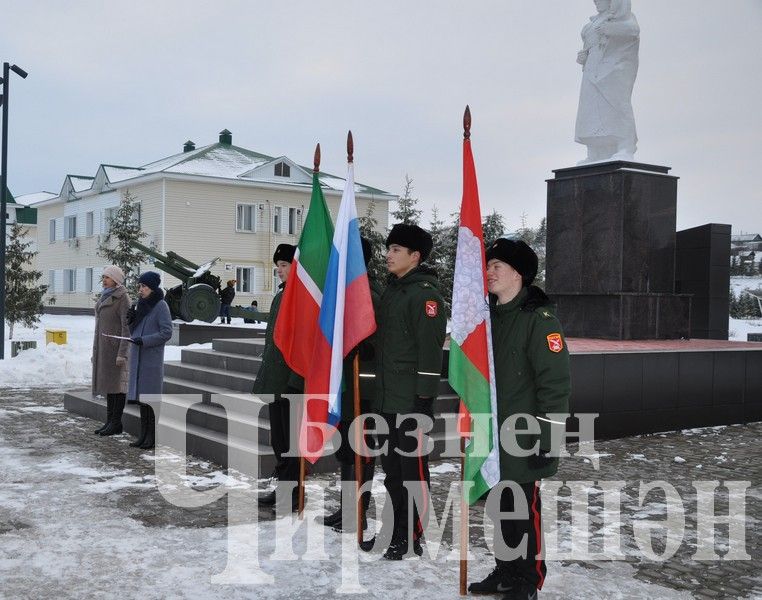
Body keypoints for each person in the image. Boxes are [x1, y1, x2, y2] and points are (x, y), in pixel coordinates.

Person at [468, 239, 571, 600]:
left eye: (497, 266)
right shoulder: (488, 319)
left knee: (522, 511)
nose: (489, 272)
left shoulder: (540, 322)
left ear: (519, 274)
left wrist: (549, 442)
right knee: (499, 506)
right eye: (489, 264)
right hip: (491, 432)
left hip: (525, 436)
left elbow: (555, 388)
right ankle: (506, 570)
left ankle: (528, 580)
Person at [372, 223, 446, 560]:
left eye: (396, 250)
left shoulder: (425, 296)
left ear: (415, 256)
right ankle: (394, 527)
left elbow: (430, 352)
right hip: (389, 396)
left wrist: (424, 400)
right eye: (389, 249)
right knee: (392, 472)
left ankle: (411, 535)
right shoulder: (393, 291)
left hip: (411, 400)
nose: (388, 255)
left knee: (412, 472)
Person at [319, 236, 382, 532]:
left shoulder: (369, 292)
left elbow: (379, 337)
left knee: (360, 450)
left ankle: (358, 511)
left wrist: (364, 345)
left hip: (365, 389)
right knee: (346, 449)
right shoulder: (343, 291)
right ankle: (346, 507)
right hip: (345, 384)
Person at [252, 244, 302, 511]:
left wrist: (296, 381)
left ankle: (293, 493)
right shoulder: (281, 296)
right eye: (279, 266)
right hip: (276, 378)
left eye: (285, 266)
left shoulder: (301, 297)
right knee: (279, 439)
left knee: (291, 441)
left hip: (291, 382)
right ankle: (283, 487)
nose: (280, 271)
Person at [575, 0, 640, 164]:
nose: (596, 2)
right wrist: (583, 57)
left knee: (616, 105)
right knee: (592, 110)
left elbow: (632, 31)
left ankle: (625, 146)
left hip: (613, 71)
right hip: (592, 71)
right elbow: (589, 47)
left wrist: (611, 29)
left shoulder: (622, 19)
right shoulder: (592, 23)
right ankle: (596, 151)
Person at [126, 271, 173, 450]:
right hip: (138, 359)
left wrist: (145, 341)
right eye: (140, 286)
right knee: (142, 401)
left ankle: (152, 437)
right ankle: (143, 435)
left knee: (150, 402)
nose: (141, 289)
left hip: (151, 361)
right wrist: (130, 320)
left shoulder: (161, 306)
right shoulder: (141, 305)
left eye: (144, 286)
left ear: (152, 288)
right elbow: (135, 333)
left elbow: (166, 332)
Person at [91, 265, 131, 436]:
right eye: (104, 277)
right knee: (109, 387)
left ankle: (116, 423)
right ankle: (110, 421)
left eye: (107, 277)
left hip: (115, 350)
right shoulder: (104, 297)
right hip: (103, 349)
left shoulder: (123, 298)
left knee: (117, 387)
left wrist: (122, 353)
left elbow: (126, 328)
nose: (104, 280)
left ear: (116, 280)